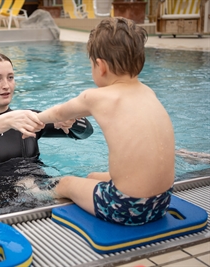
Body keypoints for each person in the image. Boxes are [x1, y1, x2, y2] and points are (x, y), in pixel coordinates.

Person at [35, 17, 175, 226]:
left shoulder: (97, 97)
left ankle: (31, 197)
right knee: (92, 176)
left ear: (100, 66)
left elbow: (57, 114)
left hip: (125, 208)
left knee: (66, 183)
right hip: (162, 202)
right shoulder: (148, 92)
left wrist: (34, 119)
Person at [0, 51, 94, 165]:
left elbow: (86, 132)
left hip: (42, 190)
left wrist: (71, 122)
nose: (6, 85)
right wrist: (2, 123)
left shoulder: (27, 119)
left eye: (10, 77)